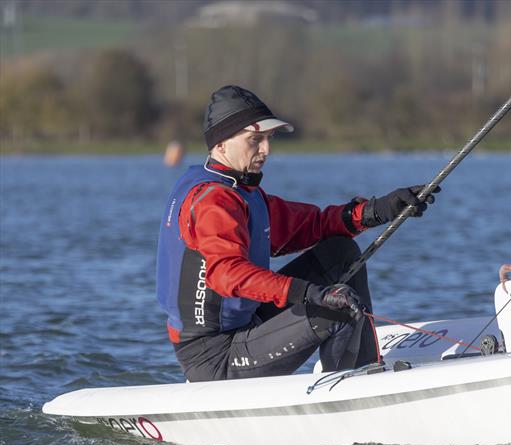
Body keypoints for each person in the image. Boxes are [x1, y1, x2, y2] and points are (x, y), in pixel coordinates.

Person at [156, 85, 438, 382]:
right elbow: (228, 274)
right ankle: (347, 394)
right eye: (255, 140)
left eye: (268, 139)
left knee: (339, 253)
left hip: (246, 325)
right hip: (214, 358)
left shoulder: (240, 191)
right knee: (337, 309)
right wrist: (313, 295)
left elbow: (312, 225)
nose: (266, 150)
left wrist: (379, 209)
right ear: (222, 144)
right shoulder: (213, 201)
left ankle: (364, 372)